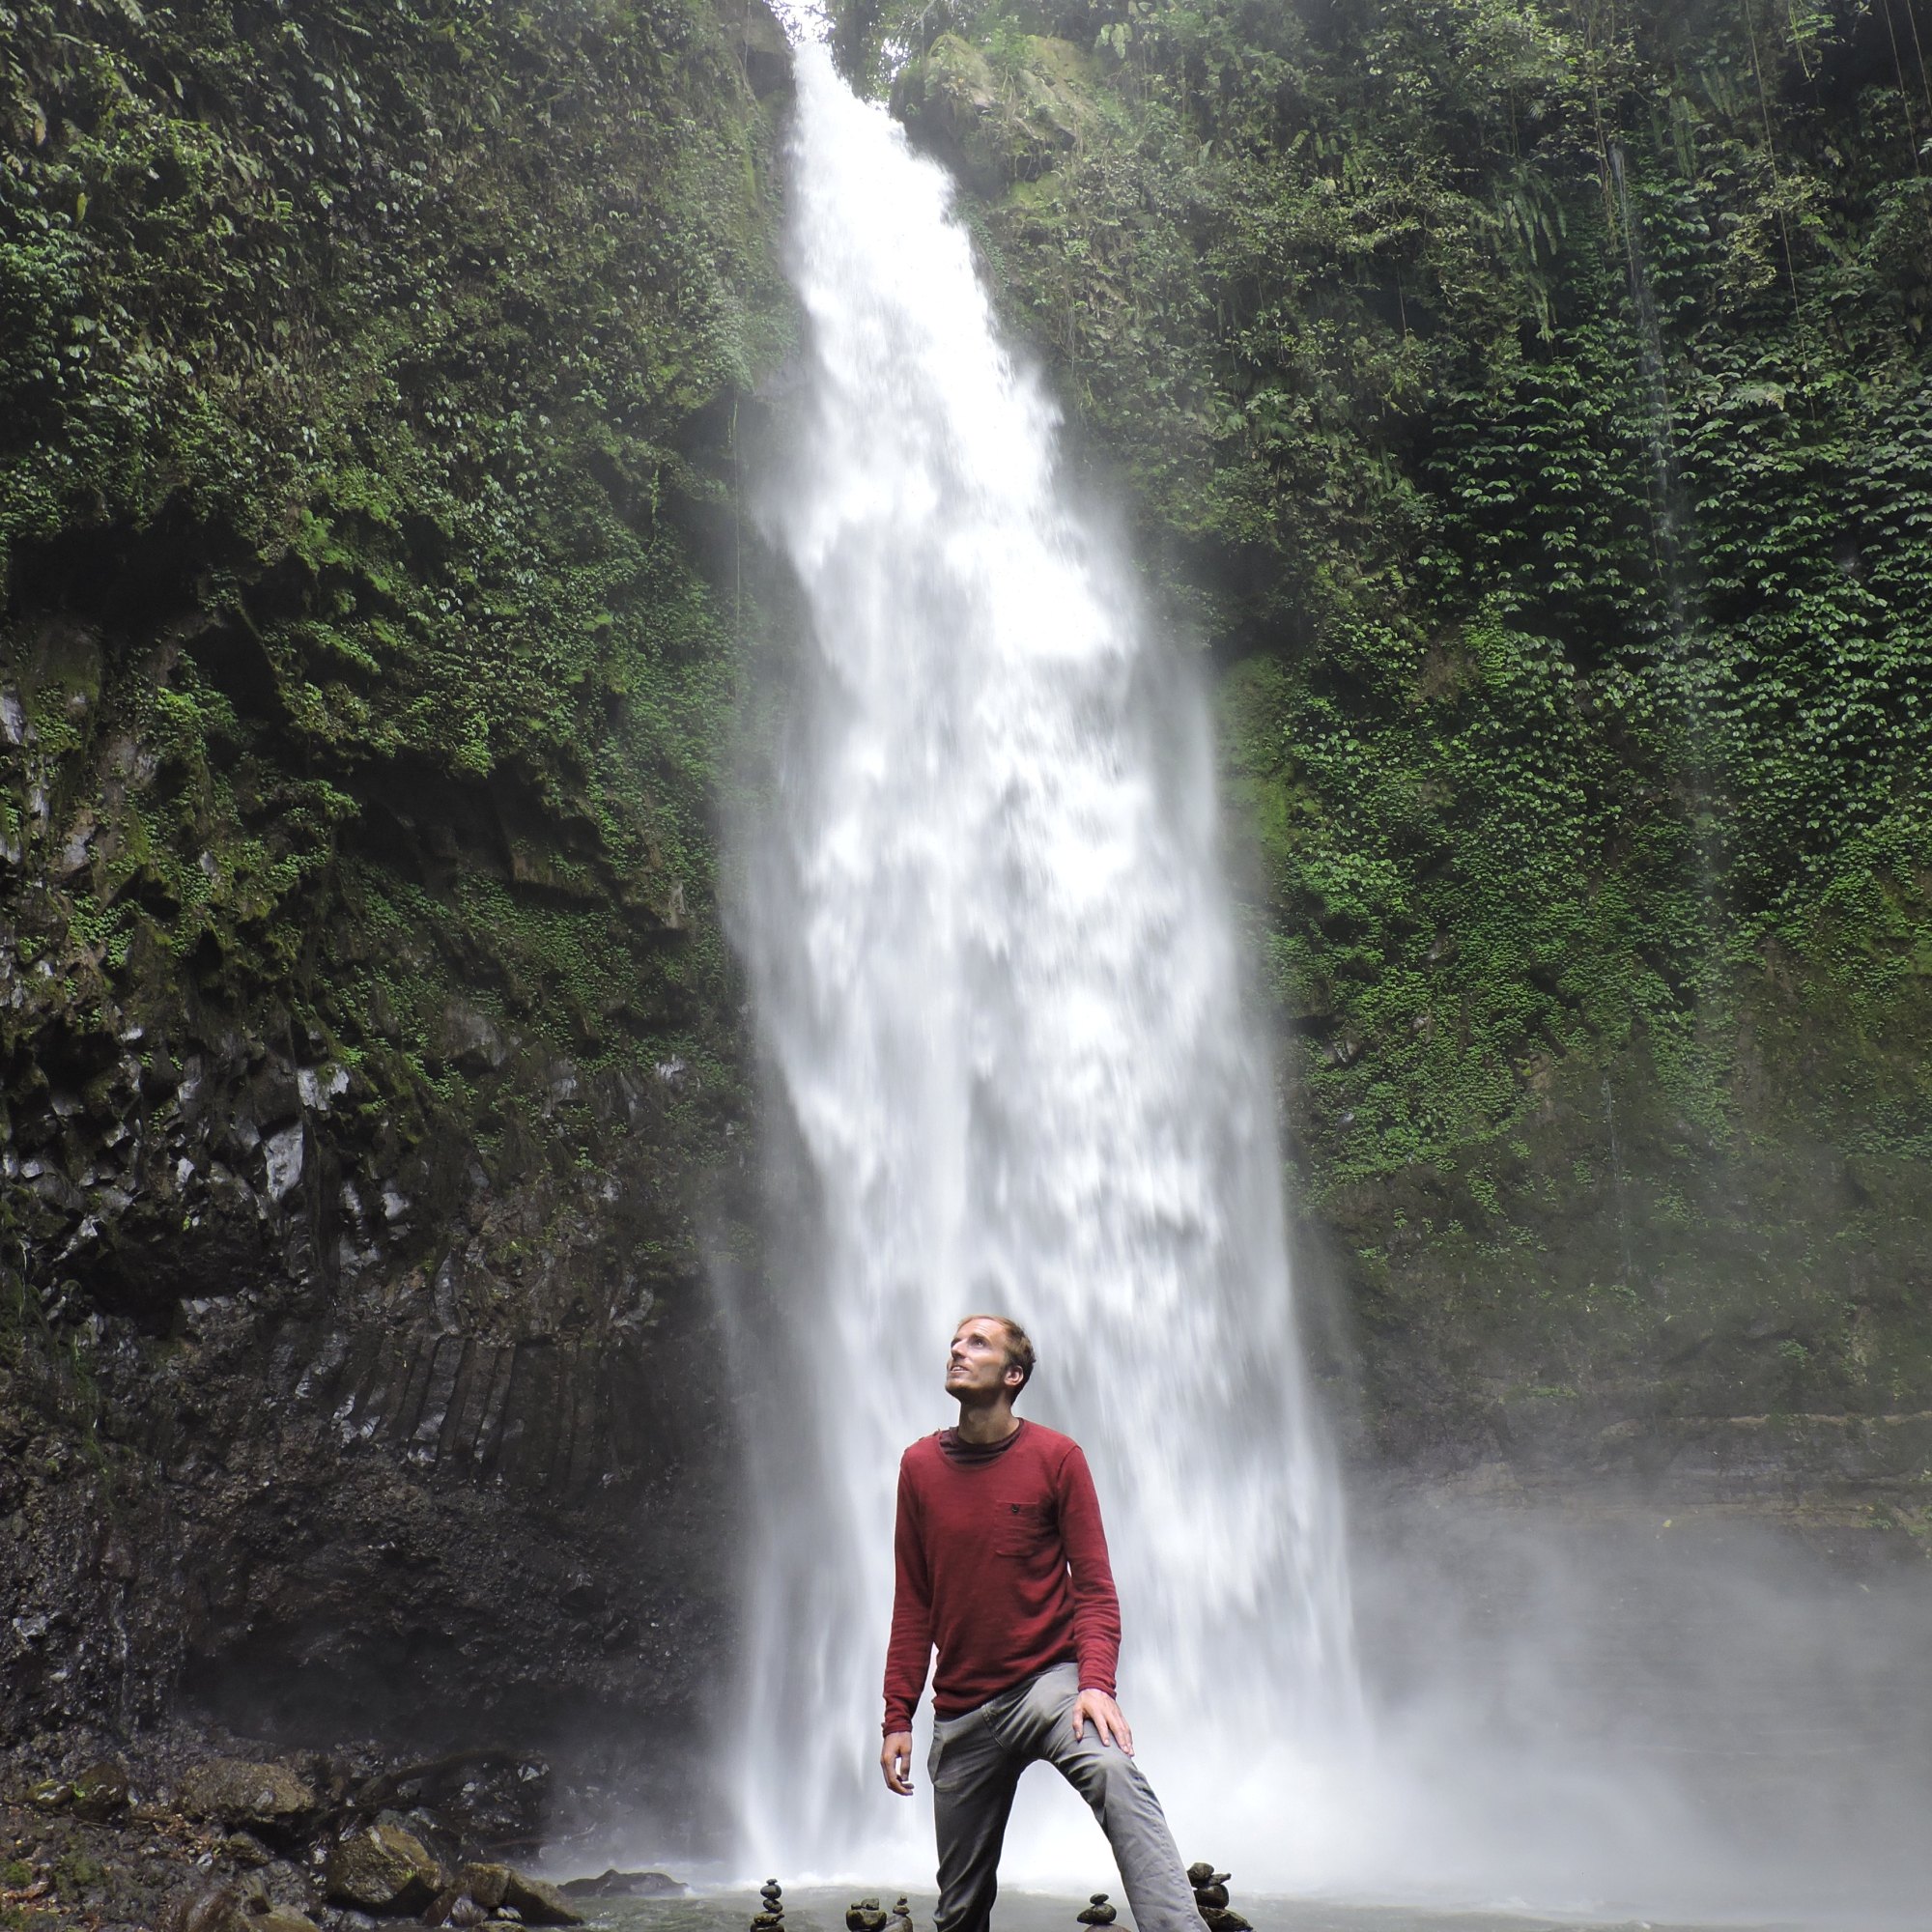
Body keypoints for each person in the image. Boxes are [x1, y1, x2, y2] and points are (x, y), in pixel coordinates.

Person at [879, 1314, 1200, 1932]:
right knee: (960, 1907)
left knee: (1112, 1770)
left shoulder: (1057, 1458)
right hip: (962, 1709)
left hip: (1047, 1688)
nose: (956, 1349)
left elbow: (1098, 1591)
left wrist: (1096, 1685)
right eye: (954, 1341)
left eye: (977, 1343)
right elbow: (912, 1601)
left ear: (1013, 1373)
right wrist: (898, 1713)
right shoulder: (918, 1467)